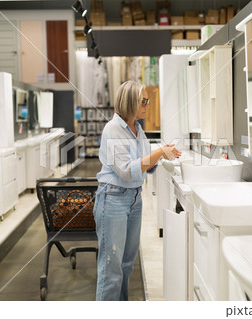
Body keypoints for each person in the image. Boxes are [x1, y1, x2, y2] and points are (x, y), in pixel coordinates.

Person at [93, 81, 181, 301]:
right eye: (143, 101)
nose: (147, 105)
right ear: (129, 101)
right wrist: (159, 152)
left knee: (125, 266)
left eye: (147, 100)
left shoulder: (137, 129)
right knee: (111, 270)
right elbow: (125, 170)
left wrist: (161, 155)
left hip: (133, 199)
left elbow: (144, 166)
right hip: (112, 199)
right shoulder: (112, 129)